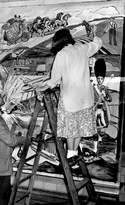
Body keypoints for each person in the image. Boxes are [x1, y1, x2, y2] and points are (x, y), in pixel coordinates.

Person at [36, 26, 102, 160]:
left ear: (58, 41)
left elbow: (54, 80)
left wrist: (40, 87)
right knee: (79, 128)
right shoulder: (82, 49)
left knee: (70, 129)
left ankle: (70, 154)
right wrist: (93, 34)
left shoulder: (62, 54)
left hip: (70, 97)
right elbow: (97, 44)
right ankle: (74, 153)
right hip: (85, 97)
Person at [93, 58, 112, 143]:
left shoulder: (105, 88)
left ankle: (100, 138)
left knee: (103, 124)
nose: (100, 80)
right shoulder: (93, 88)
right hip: (95, 107)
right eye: (98, 78)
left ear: (103, 79)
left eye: (101, 78)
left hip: (103, 108)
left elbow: (110, 99)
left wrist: (105, 96)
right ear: (96, 78)